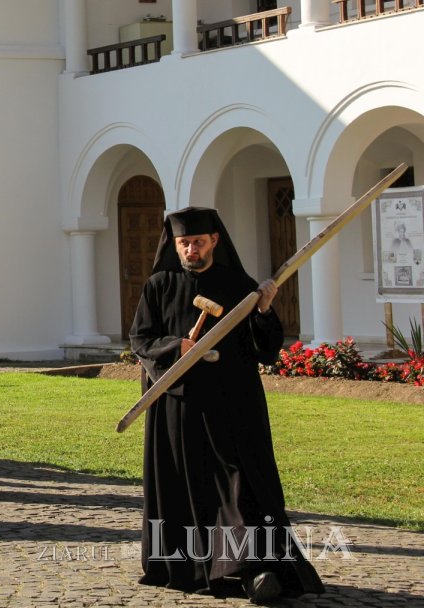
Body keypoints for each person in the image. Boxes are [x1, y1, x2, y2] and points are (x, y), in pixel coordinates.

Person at [130, 207, 324, 603]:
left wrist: (265, 311)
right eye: (184, 243)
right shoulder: (158, 284)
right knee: (186, 487)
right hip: (178, 405)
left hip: (232, 402)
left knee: (242, 486)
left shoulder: (239, 283)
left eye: (198, 242)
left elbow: (265, 348)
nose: (191, 250)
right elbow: (141, 340)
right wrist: (175, 347)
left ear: (214, 240)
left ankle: (255, 570)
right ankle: (188, 566)